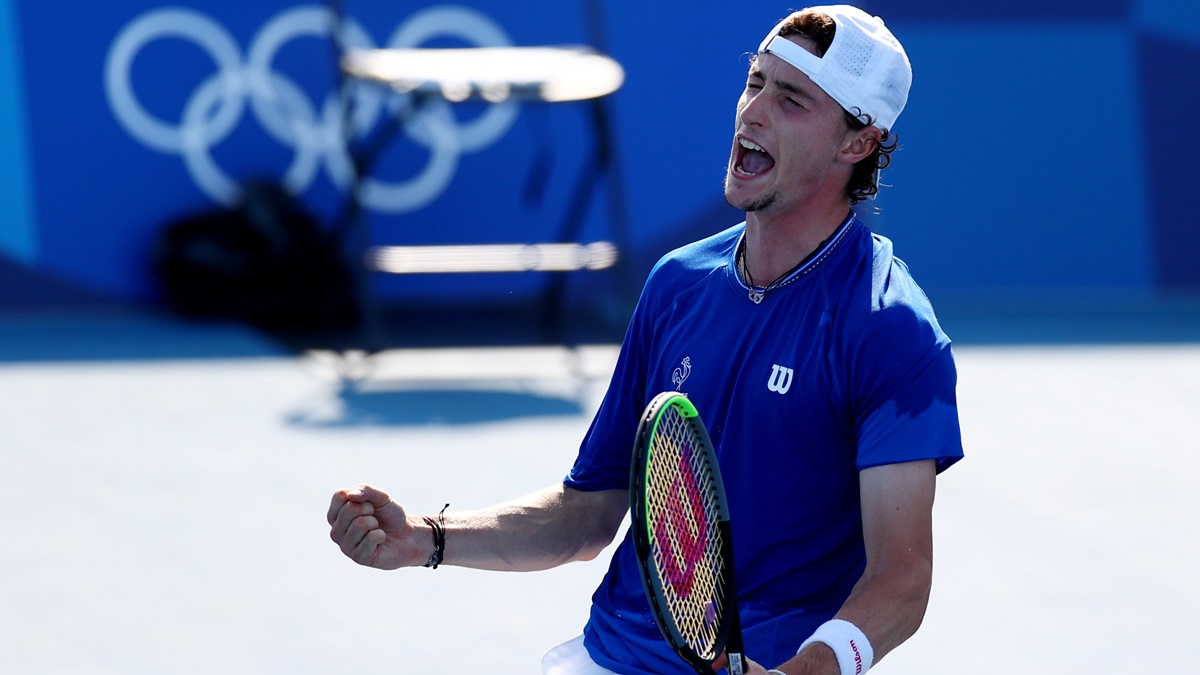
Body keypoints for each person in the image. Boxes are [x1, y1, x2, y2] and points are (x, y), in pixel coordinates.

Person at [327, 5, 963, 674]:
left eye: (792, 98)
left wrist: (805, 671)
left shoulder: (890, 327)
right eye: (756, 82)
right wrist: (425, 538)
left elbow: (902, 578)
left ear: (856, 143)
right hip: (609, 654)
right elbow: (587, 513)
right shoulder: (677, 284)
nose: (753, 111)